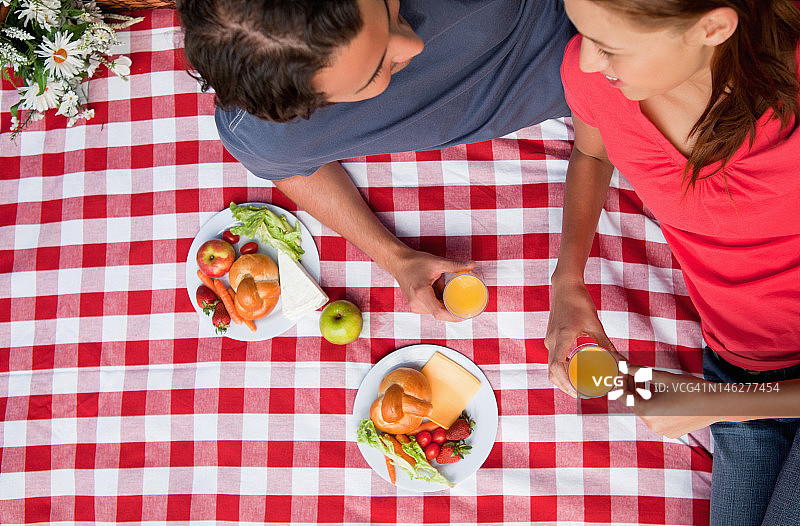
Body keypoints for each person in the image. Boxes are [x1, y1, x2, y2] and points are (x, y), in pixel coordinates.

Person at [544, 0, 800, 524]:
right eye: (584, 34)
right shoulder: (595, 80)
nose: (586, 61)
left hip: (731, 396)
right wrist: (568, 282)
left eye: (610, 47)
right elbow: (593, 153)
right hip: (737, 371)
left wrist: (718, 405)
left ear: (713, 27)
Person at [176, 0, 575, 321]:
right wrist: (397, 259)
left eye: (388, 8)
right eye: (375, 73)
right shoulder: (266, 131)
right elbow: (286, 165)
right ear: (307, 108)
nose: (413, 46)